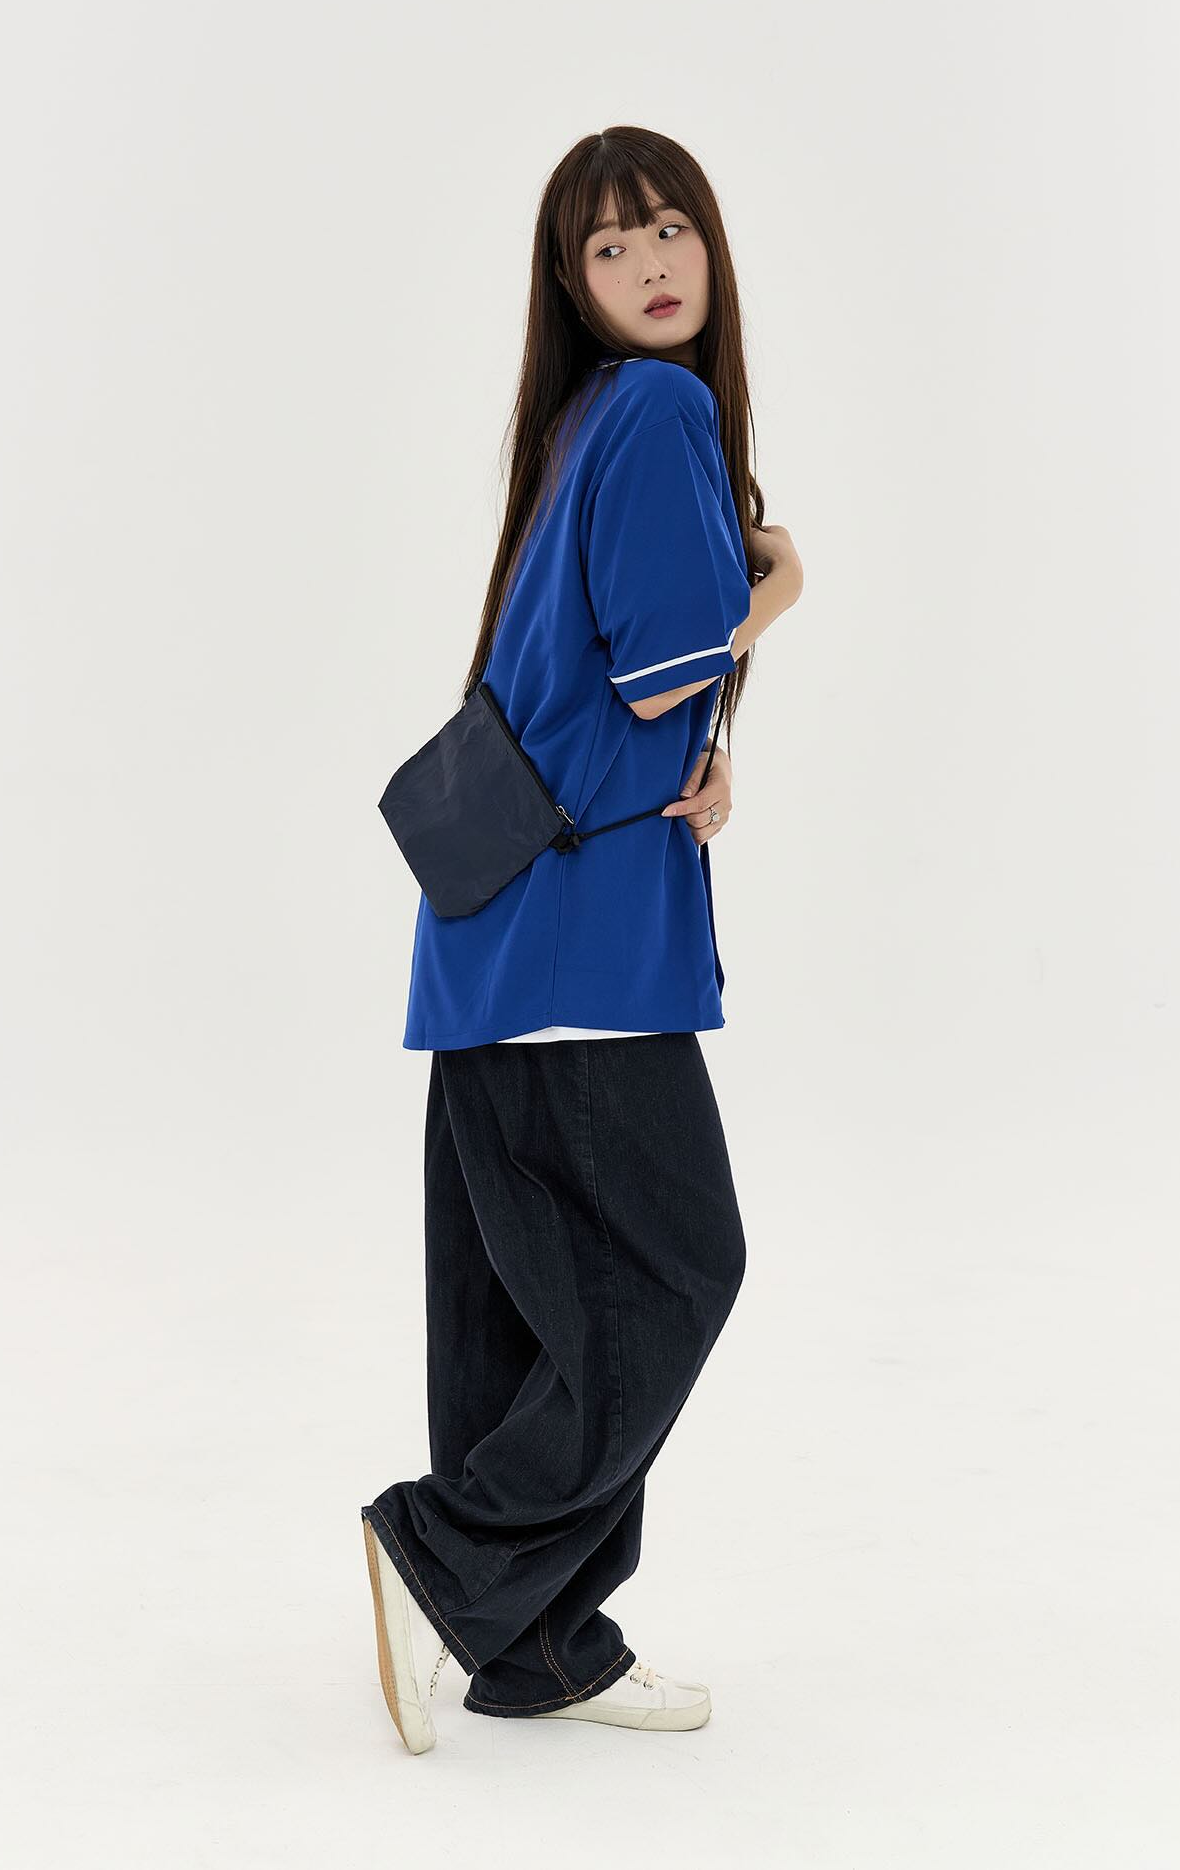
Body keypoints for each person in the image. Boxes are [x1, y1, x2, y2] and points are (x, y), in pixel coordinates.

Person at [361, 126, 804, 1753]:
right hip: (581, 947)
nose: (649, 266)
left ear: (708, 242)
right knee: (679, 1270)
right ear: (572, 282)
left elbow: (599, 681)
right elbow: (656, 662)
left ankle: (537, 1647)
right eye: (608, 248)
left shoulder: (577, 422)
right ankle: (446, 1554)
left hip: (492, 934)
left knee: (524, 1304)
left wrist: (706, 741)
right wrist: (778, 586)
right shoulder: (662, 408)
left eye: (667, 228)